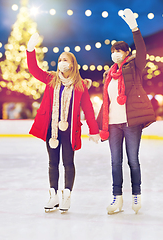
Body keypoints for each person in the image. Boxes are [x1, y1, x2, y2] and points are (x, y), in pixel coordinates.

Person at [26, 33, 100, 213]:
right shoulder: (51, 79)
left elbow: (88, 109)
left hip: (69, 130)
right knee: (52, 163)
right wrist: (30, 50)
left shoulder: (80, 85)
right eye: (60, 59)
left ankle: (67, 195)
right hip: (51, 130)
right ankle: (53, 196)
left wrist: (94, 130)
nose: (61, 62)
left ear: (72, 64)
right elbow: (34, 70)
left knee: (68, 163)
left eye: (65, 59)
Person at [97, 9, 156, 214]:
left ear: (126, 53)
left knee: (133, 160)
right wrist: (97, 127)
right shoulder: (108, 74)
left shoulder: (135, 67)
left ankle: (136, 194)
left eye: (119, 51)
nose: (115, 54)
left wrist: (134, 28)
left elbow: (142, 50)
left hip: (131, 124)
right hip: (113, 124)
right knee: (115, 162)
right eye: (113, 51)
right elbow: (107, 102)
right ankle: (117, 198)